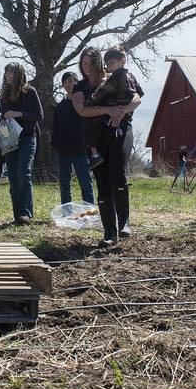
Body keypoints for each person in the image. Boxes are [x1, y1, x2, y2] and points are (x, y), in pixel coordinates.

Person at [71, 47, 141, 247]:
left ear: (99, 62)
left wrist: (121, 111)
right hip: (95, 137)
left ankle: (124, 222)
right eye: (83, 63)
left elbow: (137, 96)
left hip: (120, 131)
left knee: (117, 173)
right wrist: (109, 109)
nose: (87, 67)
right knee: (102, 182)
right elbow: (82, 110)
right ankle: (109, 231)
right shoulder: (80, 87)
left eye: (90, 63)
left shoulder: (118, 77)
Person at [84, 48, 143, 170]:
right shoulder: (131, 75)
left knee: (89, 127)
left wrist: (89, 101)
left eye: (111, 63)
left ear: (122, 61)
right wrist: (126, 109)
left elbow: (101, 94)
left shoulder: (116, 77)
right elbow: (139, 93)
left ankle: (95, 155)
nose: (108, 66)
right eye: (107, 64)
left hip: (111, 116)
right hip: (125, 115)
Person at [0, 62, 44, 225]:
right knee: (12, 176)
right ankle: (17, 215)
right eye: (6, 72)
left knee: (23, 173)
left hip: (27, 137)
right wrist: (2, 129)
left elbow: (39, 115)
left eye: (11, 72)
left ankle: (26, 214)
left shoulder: (30, 91)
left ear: (19, 74)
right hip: (10, 140)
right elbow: (3, 116)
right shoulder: (4, 94)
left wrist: (17, 113)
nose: (8, 75)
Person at [51, 71, 94, 204]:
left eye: (74, 80)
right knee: (64, 183)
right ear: (63, 85)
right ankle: (66, 211)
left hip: (81, 150)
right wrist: (56, 145)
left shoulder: (84, 103)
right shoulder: (60, 107)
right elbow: (55, 128)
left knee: (85, 183)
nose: (71, 83)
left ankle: (89, 211)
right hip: (64, 151)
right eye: (68, 81)